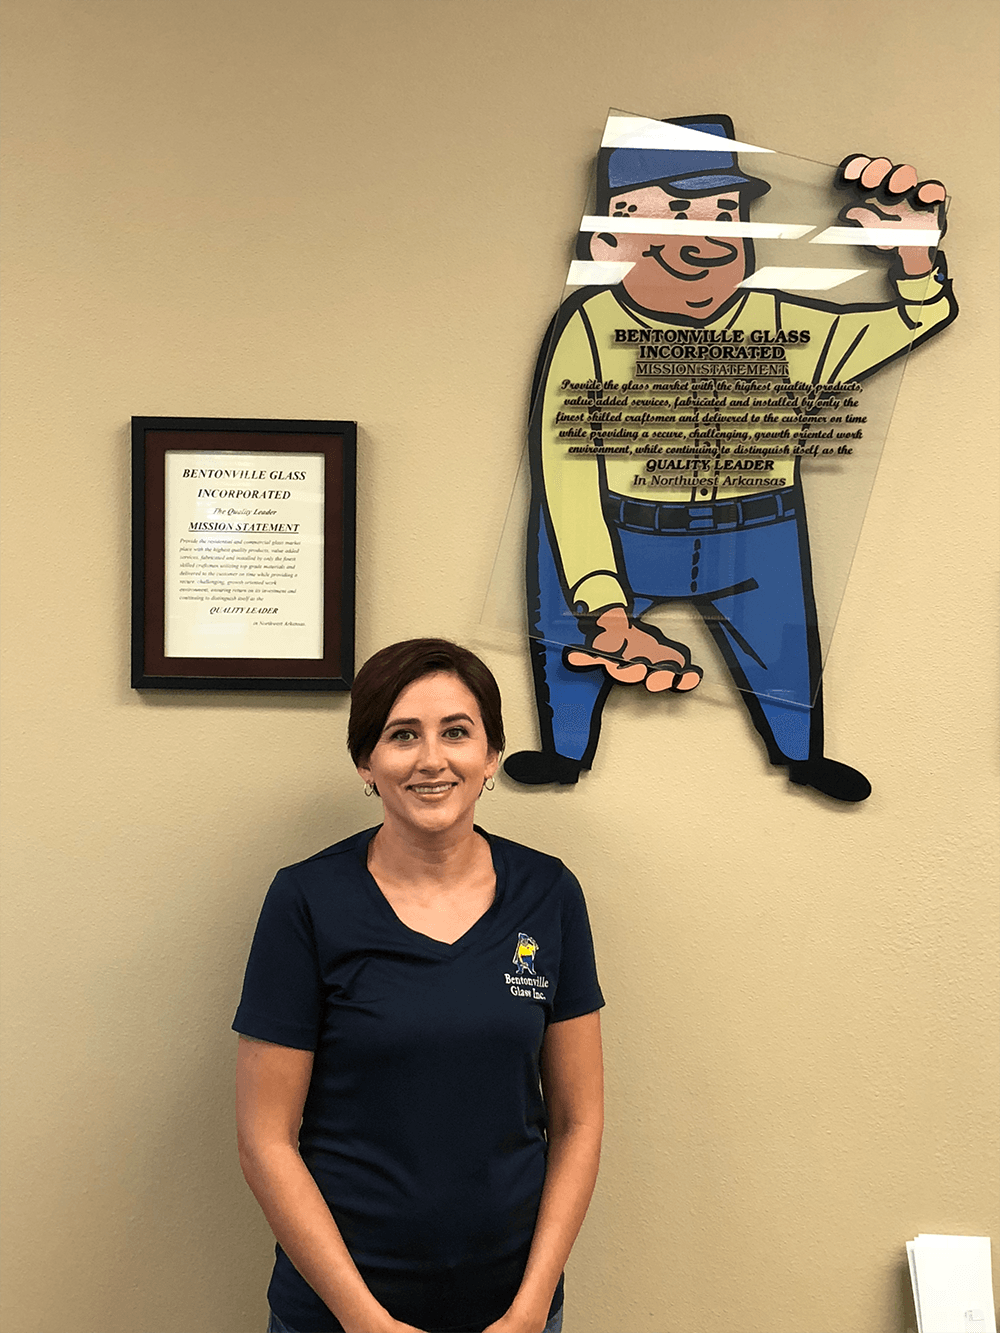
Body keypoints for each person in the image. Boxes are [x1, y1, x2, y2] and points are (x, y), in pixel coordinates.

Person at [504, 114, 957, 803]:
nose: (706, 238)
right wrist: (606, 602)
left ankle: (802, 756)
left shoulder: (778, 322)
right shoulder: (589, 325)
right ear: (607, 240)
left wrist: (916, 261)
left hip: (755, 533)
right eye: (677, 212)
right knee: (568, 629)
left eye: (726, 213)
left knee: (785, 658)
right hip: (623, 525)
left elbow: (913, 320)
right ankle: (564, 751)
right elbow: (566, 474)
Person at [234, 639, 605, 1333]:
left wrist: (530, 1308)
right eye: (402, 734)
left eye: (457, 732)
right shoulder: (307, 900)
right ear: (366, 762)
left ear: (490, 755)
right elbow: (265, 1138)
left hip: (513, 1312)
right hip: (337, 1315)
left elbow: (579, 1121)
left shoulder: (548, 894)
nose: (432, 759)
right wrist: (363, 1319)